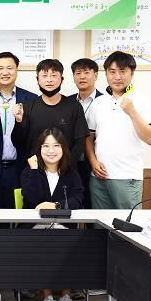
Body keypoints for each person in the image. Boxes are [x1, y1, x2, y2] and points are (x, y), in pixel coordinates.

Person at [20, 128, 84, 301]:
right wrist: (33, 170)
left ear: (63, 149)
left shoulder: (71, 174)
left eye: (56, 146)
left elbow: (78, 199)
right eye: (46, 146)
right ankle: (47, 297)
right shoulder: (30, 171)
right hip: (36, 229)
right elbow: (32, 198)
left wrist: (56, 206)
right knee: (45, 243)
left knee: (68, 242)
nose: (51, 151)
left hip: (64, 228)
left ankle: (66, 296)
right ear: (39, 149)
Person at [87, 51, 151, 209]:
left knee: (128, 223)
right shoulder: (98, 102)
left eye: (122, 71)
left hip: (127, 177)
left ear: (132, 73)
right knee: (100, 223)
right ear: (106, 74)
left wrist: (132, 112)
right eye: (112, 72)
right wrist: (93, 162)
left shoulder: (144, 101)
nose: (117, 77)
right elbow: (89, 137)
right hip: (98, 178)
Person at [0, 52, 37, 209]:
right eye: (0, 68)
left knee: (19, 215)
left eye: (10, 68)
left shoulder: (31, 99)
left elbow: (34, 135)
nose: (5, 72)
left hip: (20, 168)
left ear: (17, 70)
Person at [67, 58, 103, 209]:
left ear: (96, 75)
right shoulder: (67, 102)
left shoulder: (105, 101)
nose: (82, 77)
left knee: (92, 206)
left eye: (87, 72)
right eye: (78, 73)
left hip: (97, 164)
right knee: (72, 205)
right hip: (71, 162)